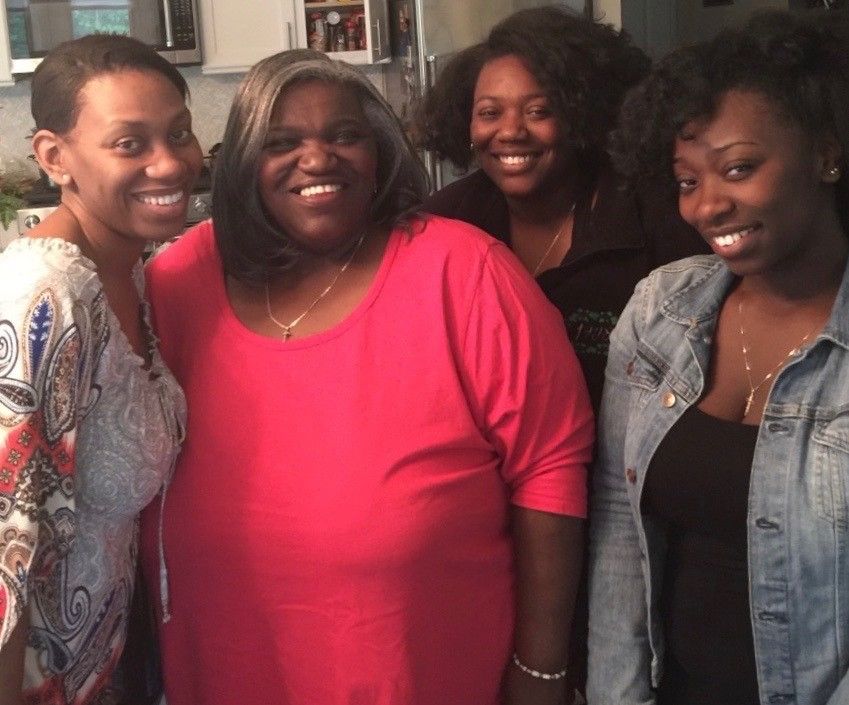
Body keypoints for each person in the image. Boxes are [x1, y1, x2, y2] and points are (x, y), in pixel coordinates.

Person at [139, 49, 594, 705]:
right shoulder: (178, 280)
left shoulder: (464, 271)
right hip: (219, 676)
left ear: (379, 151)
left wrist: (541, 669)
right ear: (242, 162)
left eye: (345, 135)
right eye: (281, 142)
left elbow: (550, 465)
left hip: (425, 679)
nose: (318, 159)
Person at [588, 10, 849, 705]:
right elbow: (619, 517)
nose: (707, 206)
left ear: (826, 154)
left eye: (738, 169)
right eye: (686, 181)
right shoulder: (660, 310)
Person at [0, 34, 201, 705]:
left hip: (107, 668)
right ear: (55, 158)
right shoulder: (47, 297)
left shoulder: (126, 272)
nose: (169, 163)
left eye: (179, 133)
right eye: (130, 143)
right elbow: (4, 551)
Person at [416, 5, 708, 413]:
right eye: (490, 113)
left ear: (581, 116)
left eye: (539, 111)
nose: (511, 131)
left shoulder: (653, 216)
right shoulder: (445, 222)